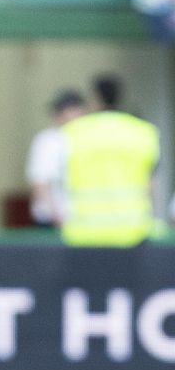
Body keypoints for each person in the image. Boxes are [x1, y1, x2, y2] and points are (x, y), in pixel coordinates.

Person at [54, 75, 161, 247]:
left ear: (94, 98)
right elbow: (151, 183)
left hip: (84, 232)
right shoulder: (143, 132)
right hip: (132, 232)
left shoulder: (74, 132)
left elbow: (55, 180)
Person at [25, 89, 86, 228]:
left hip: (77, 219)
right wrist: (56, 216)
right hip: (52, 220)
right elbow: (40, 182)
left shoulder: (81, 140)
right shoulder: (48, 141)